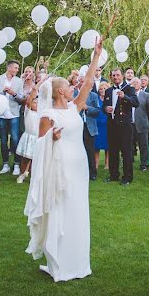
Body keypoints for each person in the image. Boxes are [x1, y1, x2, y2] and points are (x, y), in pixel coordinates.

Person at [24, 36, 103, 282]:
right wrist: (52, 139)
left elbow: (89, 82)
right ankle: (59, 263)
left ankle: (78, 260)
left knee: (78, 210)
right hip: (60, 168)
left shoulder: (74, 107)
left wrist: (96, 56)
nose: (73, 88)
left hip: (79, 165)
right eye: (69, 87)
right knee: (62, 209)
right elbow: (39, 145)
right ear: (60, 91)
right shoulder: (46, 114)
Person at [103, 67, 139, 185]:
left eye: (118, 75)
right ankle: (113, 175)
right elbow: (103, 107)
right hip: (112, 125)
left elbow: (136, 103)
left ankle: (127, 177)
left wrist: (125, 97)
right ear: (111, 77)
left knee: (126, 151)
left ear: (122, 76)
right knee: (113, 151)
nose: (116, 77)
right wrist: (105, 108)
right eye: (113, 75)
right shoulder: (108, 91)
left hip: (125, 126)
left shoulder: (129, 89)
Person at [0, 60, 25, 176]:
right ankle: (5, 164)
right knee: (2, 140)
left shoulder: (19, 81)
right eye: (15, 68)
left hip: (14, 114)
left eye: (17, 68)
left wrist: (13, 93)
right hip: (1, 114)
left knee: (15, 139)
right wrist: (3, 91)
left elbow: (21, 97)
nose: (17, 70)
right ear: (9, 68)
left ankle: (16, 164)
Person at [77, 74, 101, 181]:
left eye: (84, 82)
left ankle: (92, 173)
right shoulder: (73, 94)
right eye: (81, 82)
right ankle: (78, 172)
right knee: (77, 150)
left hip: (89, 127)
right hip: (76, 126)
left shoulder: (93, 96)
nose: (83, 84)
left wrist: (87, 108)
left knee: (90, 150)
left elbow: (97, 111)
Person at [16, 85, 40, 183]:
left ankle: (32, 177)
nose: (36, 104)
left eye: (38, 103)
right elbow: (29, 101)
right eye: (35, 102)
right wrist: (35, 90)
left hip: (37, 138)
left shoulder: (41, 114)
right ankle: (21, 174)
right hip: (28, 137)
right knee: (25, 158)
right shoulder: (28, 112)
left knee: (35, 159)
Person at [132, 77, 149, 171]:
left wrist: (144, 118)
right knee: (128, 145)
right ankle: (128, 162)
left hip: (142, 123)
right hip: (129, 124)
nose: (135, 84)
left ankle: (144, 164)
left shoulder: (146, 95)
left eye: (137, 82)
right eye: (133, 82)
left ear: (140, 85)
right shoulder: (127, 94)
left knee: (143, 145)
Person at [94, 82, 109, 172]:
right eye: (101, 89)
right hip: (97, 124)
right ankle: (96, 163)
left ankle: (107, 163)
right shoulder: (96, 98)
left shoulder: (110, 99)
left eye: (104, 88)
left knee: (108, 146)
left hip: (108, 124)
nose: (102, 90)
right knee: (97, 145)